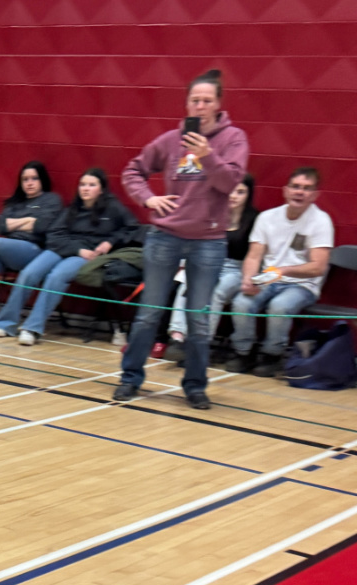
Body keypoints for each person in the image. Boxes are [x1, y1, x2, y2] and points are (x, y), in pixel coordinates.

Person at [115, 68, 249, 409]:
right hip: (166, 236)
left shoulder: (234, 139)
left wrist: (207, 154)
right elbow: (133, 170)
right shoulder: (170, 140)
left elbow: (230, 183)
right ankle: (130, 378)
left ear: (218, 104)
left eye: (207, 100)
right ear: (187, 104)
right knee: (149, 313)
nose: (200, 106)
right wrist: (148, 199)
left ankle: (195, 385)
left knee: (198, 319)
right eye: (195, 100)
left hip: (209, 241)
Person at [0, 168, 137, 345]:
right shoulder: (72, 209)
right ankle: (6, 324)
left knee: (56, 277)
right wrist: (77, 249)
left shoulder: (113, 208)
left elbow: (132, 228)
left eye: (92, 185)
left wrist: (110, 242)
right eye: (82, 184)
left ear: (101, 189)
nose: (86, 188)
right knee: (29, 273)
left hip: (86, 256)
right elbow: (54, 235)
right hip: (63, 250)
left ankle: (32, 328)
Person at [227, 166, 333, 377]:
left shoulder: (321, 221)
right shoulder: (267, 218)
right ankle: (243, 352)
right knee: (241, 302)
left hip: (302, 285)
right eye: (295, 186)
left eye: (306, 188)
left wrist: (284, 270)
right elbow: (254, 256)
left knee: (279, 306)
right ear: (286, 190)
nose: (299, 192)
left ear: (314, 195)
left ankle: (272, 355)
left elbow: (318, 267)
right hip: (268, 278)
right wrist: (248, 279)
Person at [165, 174, 258, 360]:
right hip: (210, 262)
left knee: (216, 291)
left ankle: (201, 343)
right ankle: (178, 336)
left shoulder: (255, 219)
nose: (234, 196)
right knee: (188, 284)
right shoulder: (212, 213)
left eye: (240, 192)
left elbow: (255, 255)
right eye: (231, 191)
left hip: (237, 268)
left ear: (248, 195)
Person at [0, 161, 64, 303]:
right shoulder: (15, 202)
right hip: (7, 252)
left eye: (34, 178)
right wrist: (29, 220)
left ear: (42, 179)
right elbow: (1, 226)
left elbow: (42, 226)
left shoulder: (51, 199)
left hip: (32, 250)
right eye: (25, 179)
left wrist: (13, 224)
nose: (29, 183)